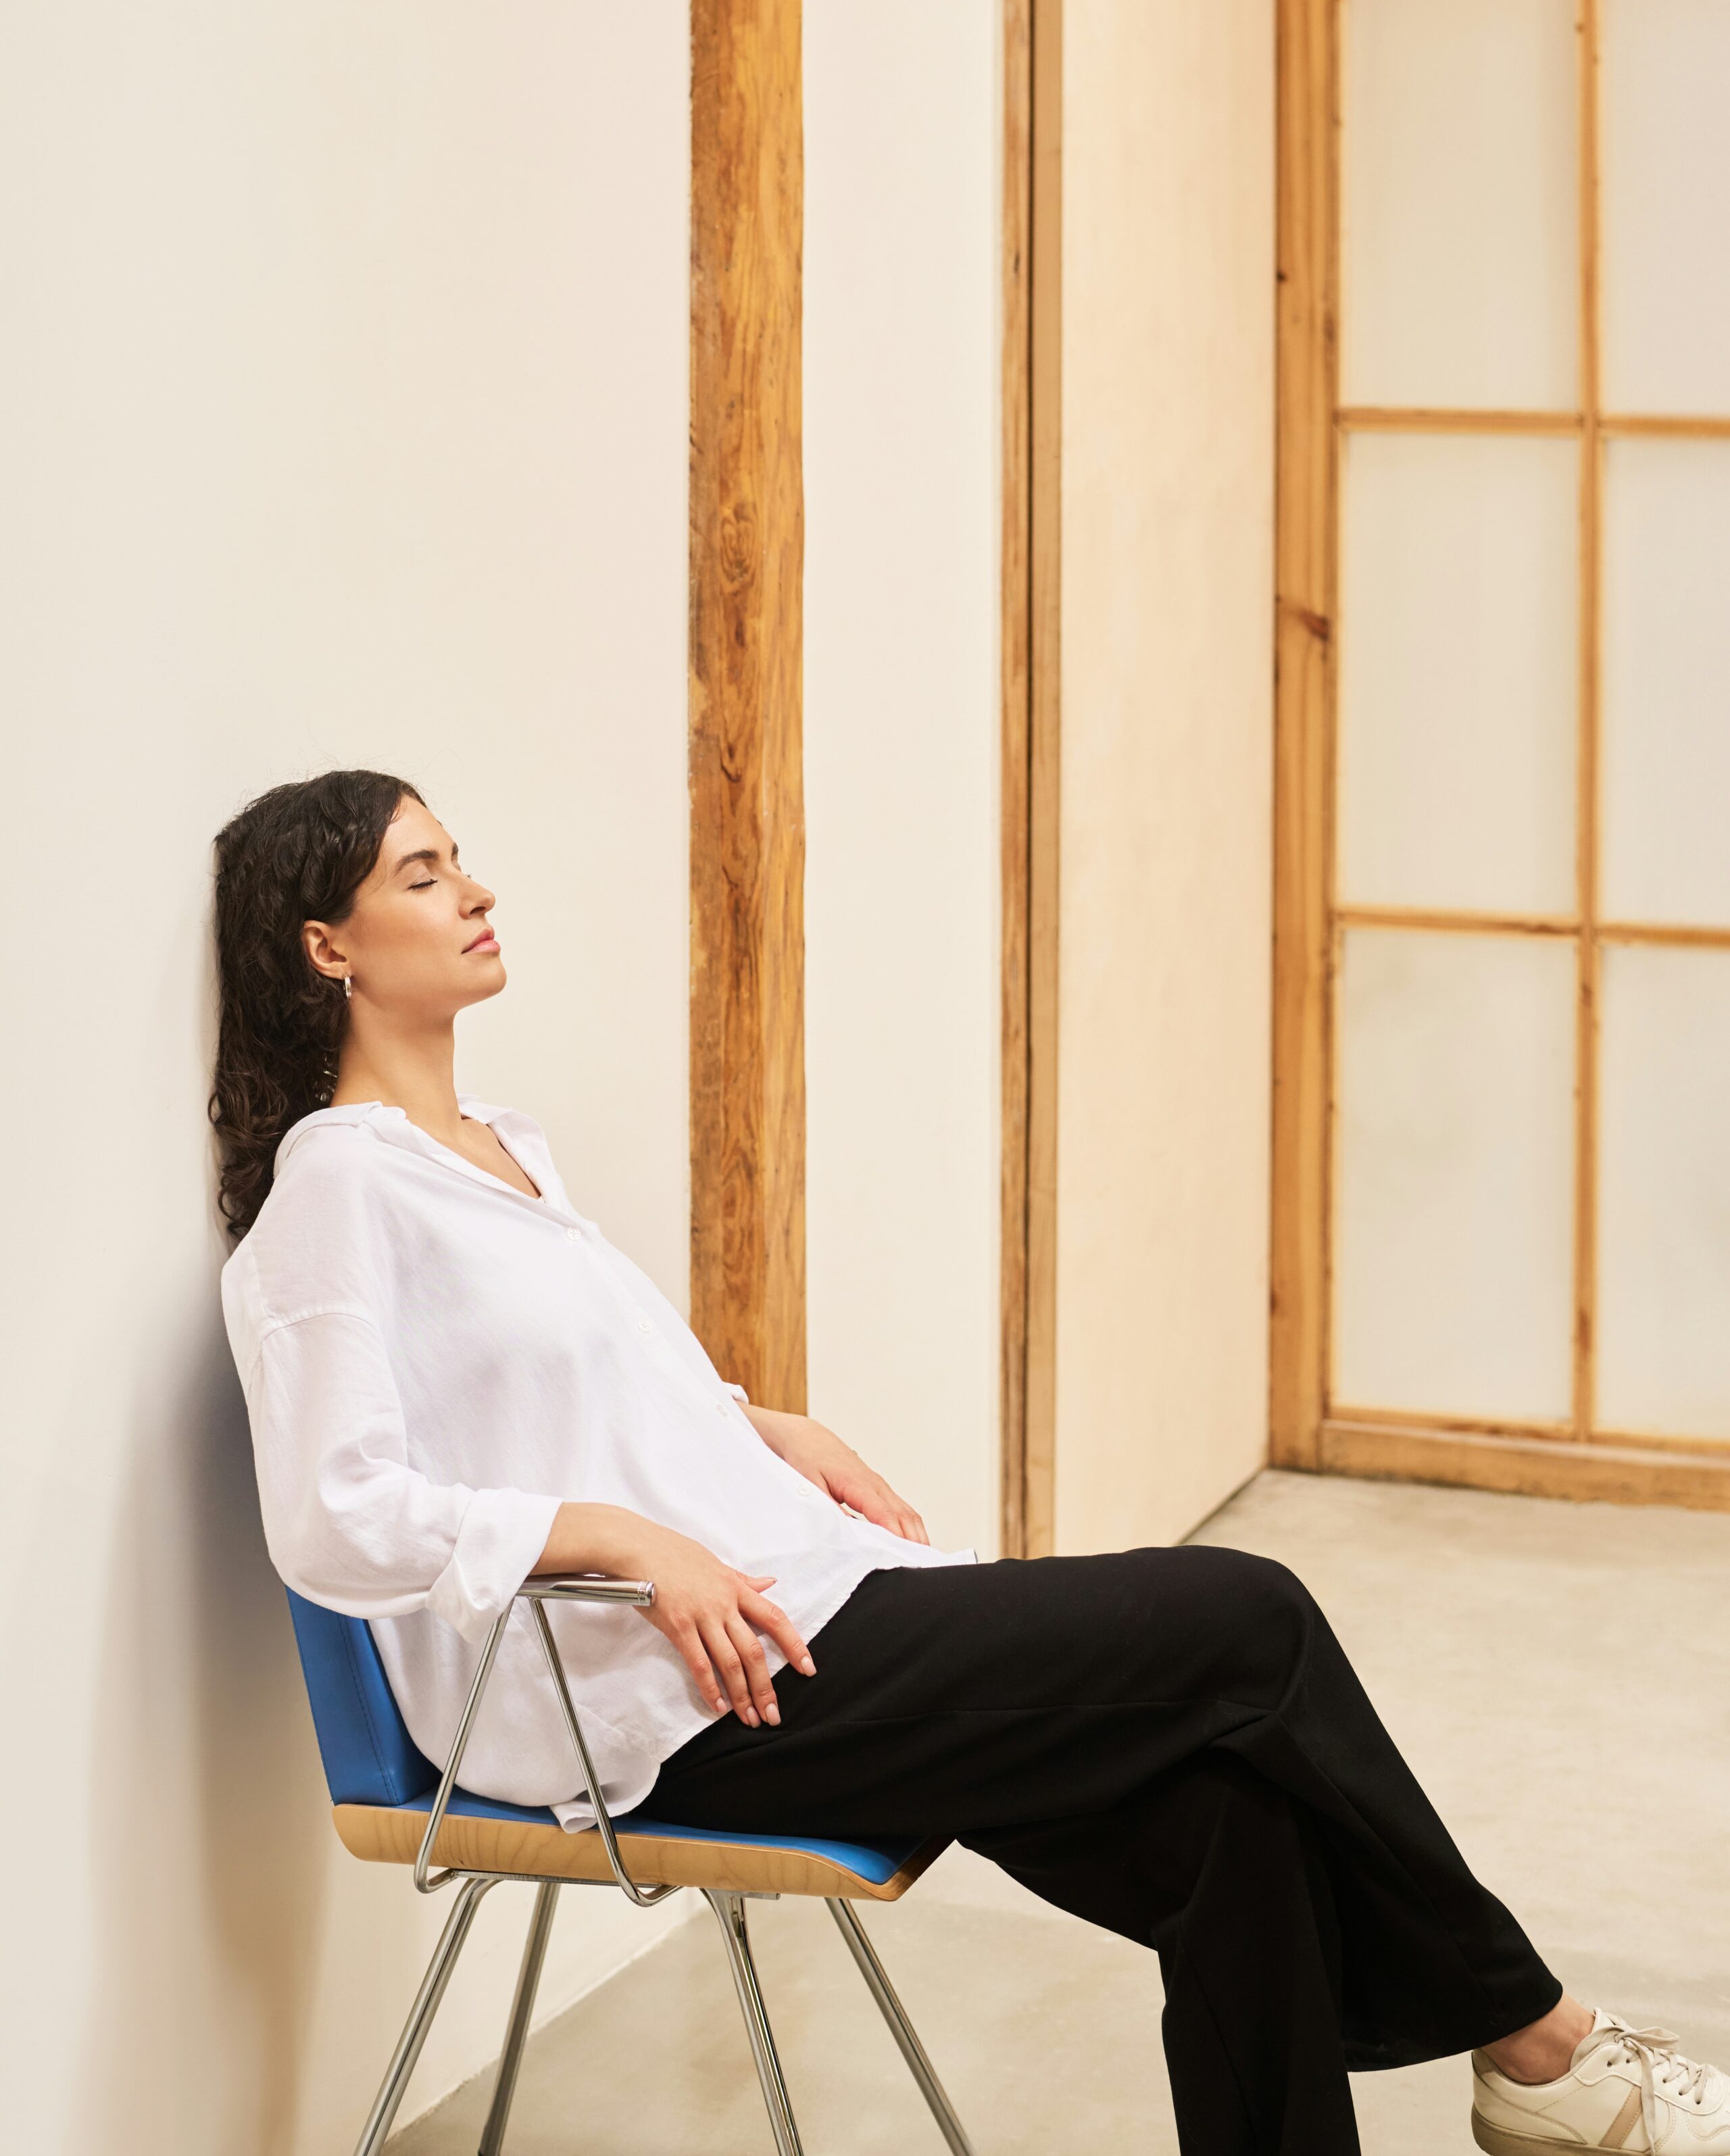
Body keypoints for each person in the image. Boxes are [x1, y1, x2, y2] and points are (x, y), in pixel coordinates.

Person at [213, 768, 1727, 2156]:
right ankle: (1538, 2045)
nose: (474, 892)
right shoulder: (336, 1191)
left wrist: (749, 1421)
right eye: (422, 875)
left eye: (460, 861)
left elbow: (555, 1388)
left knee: (1227, 1828)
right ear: (326, 949)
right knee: (1245, 1616)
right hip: (651, 1697)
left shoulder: (503, 1147)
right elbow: (332, 1516)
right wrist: (616, 1535)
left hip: (775, 1612)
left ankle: (1526, 2067)